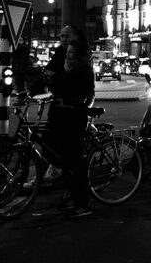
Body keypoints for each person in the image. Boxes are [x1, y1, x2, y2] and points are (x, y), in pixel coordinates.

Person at [49, 39, 96, 217]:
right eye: (67, 52)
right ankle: (72, 194)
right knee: (65, 158)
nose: (67, 55)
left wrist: (55, 80)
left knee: (75, 160)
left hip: (74, 118)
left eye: (71, 53)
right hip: (62, 116)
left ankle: (83, 203)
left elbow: (74, 90)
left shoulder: (83, 71)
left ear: (79, 56)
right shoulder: (66, 68)